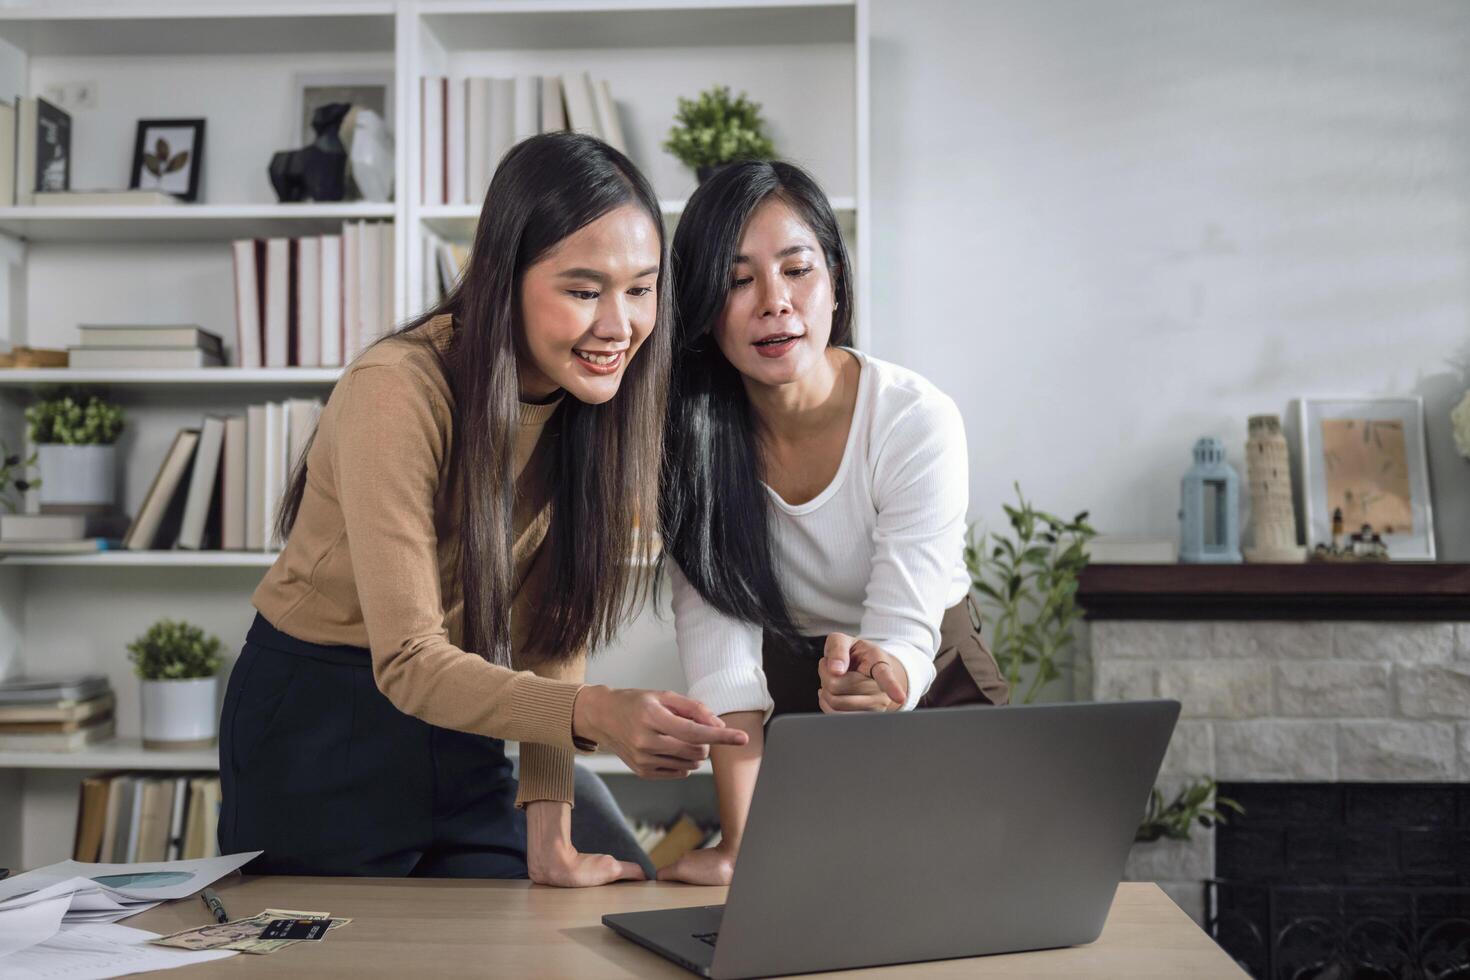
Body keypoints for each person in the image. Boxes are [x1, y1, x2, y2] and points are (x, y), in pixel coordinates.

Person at [218, 133, 747, 887]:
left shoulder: (592, 402)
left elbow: (552, 634)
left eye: (640, 288)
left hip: (464, 709)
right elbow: (405, 661)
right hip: (320, 723)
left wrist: (552, 838)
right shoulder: (397, 389)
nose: (619, 325)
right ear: (502, 278)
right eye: (582, 288)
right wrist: (594, 712)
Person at [657, 160, 1008, 885]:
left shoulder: (914, 420)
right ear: (699, 301)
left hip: (931, 667)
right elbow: (723, 666)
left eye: (797, 269)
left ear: (836, 280)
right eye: (737, 278)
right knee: (810, 890)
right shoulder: (685, 445)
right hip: (790, 674)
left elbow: (905, 629)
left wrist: (889, 679)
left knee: (965, 885)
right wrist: (737, 850)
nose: (775, 303)